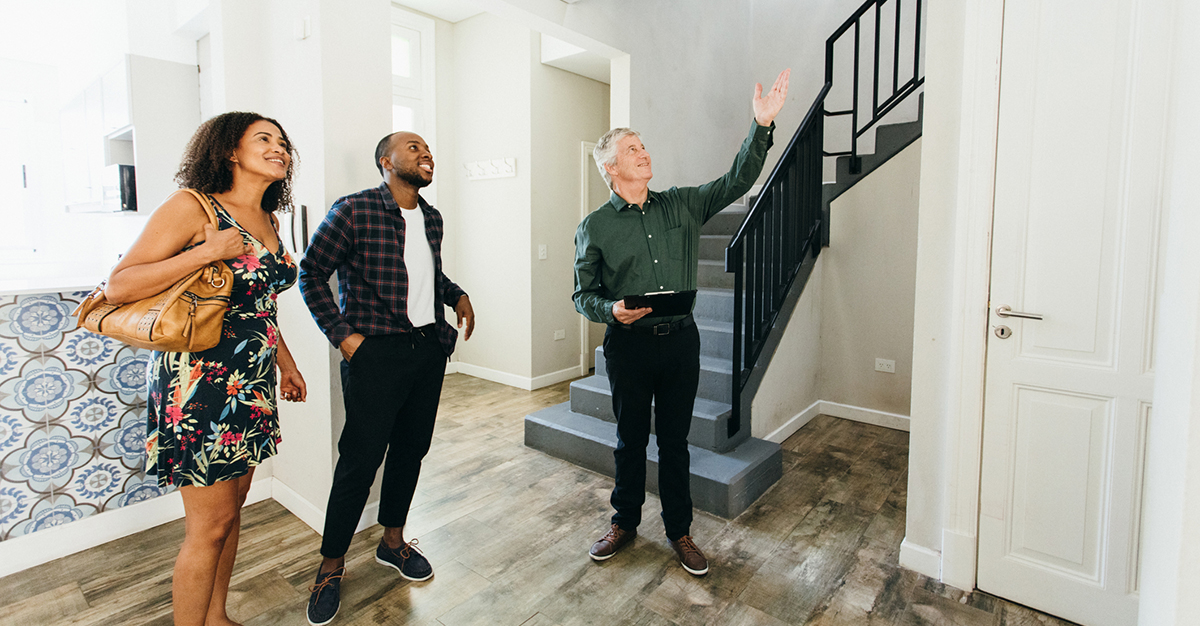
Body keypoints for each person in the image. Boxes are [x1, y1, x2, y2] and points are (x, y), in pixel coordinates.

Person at [573, 69, 790, 576]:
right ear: (610, 167)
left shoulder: (684, 205)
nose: (644, 153)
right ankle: (624, 522)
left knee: (674, 443)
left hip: (680, 345)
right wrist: (612, 311)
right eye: (632, 149)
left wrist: (761, 127)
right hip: (628, 345)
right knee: (629, 439)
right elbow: (583, 294)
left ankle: (680, 532)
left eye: (644, 146)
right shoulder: (595, 226)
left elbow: (738, 178)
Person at [105, 111, 308, 626]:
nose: (278, 147)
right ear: (229, 152)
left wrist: (286, 363)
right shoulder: (193, 208)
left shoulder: (272, 221)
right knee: (209, 527)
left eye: (282, 141)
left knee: (233, 510)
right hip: (199, 384)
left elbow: (257, 305)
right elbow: (120, 286)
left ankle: (215, 617)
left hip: (252, 381)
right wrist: (208, 252)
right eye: (263, 138)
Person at [299, 131, 475, 625]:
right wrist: (343, 336)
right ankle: (330, 567)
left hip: (426, 351)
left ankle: (392, 543)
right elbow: (310, 273)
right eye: (414, 147)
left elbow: (427, 276)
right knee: (359, 461)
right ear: (386, 161)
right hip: (374, 353)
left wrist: (456, 295)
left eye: (428, 148)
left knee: (411, 451)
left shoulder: (432, 218)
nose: (426, 153)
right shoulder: (354, 210)